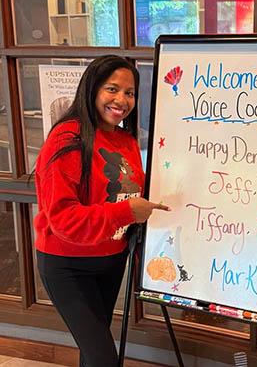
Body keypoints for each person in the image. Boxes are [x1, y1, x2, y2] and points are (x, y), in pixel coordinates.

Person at [34, 55, 170, 367]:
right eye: (112, 89)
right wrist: (126, 212)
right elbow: (63, 219)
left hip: (111, 261)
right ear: (92, 88)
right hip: (67, 265)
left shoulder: (126, 140)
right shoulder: (67, 137)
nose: (122, 100)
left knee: (94, 354)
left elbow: (132, 194)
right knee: (104, 358)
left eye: (130, 93)